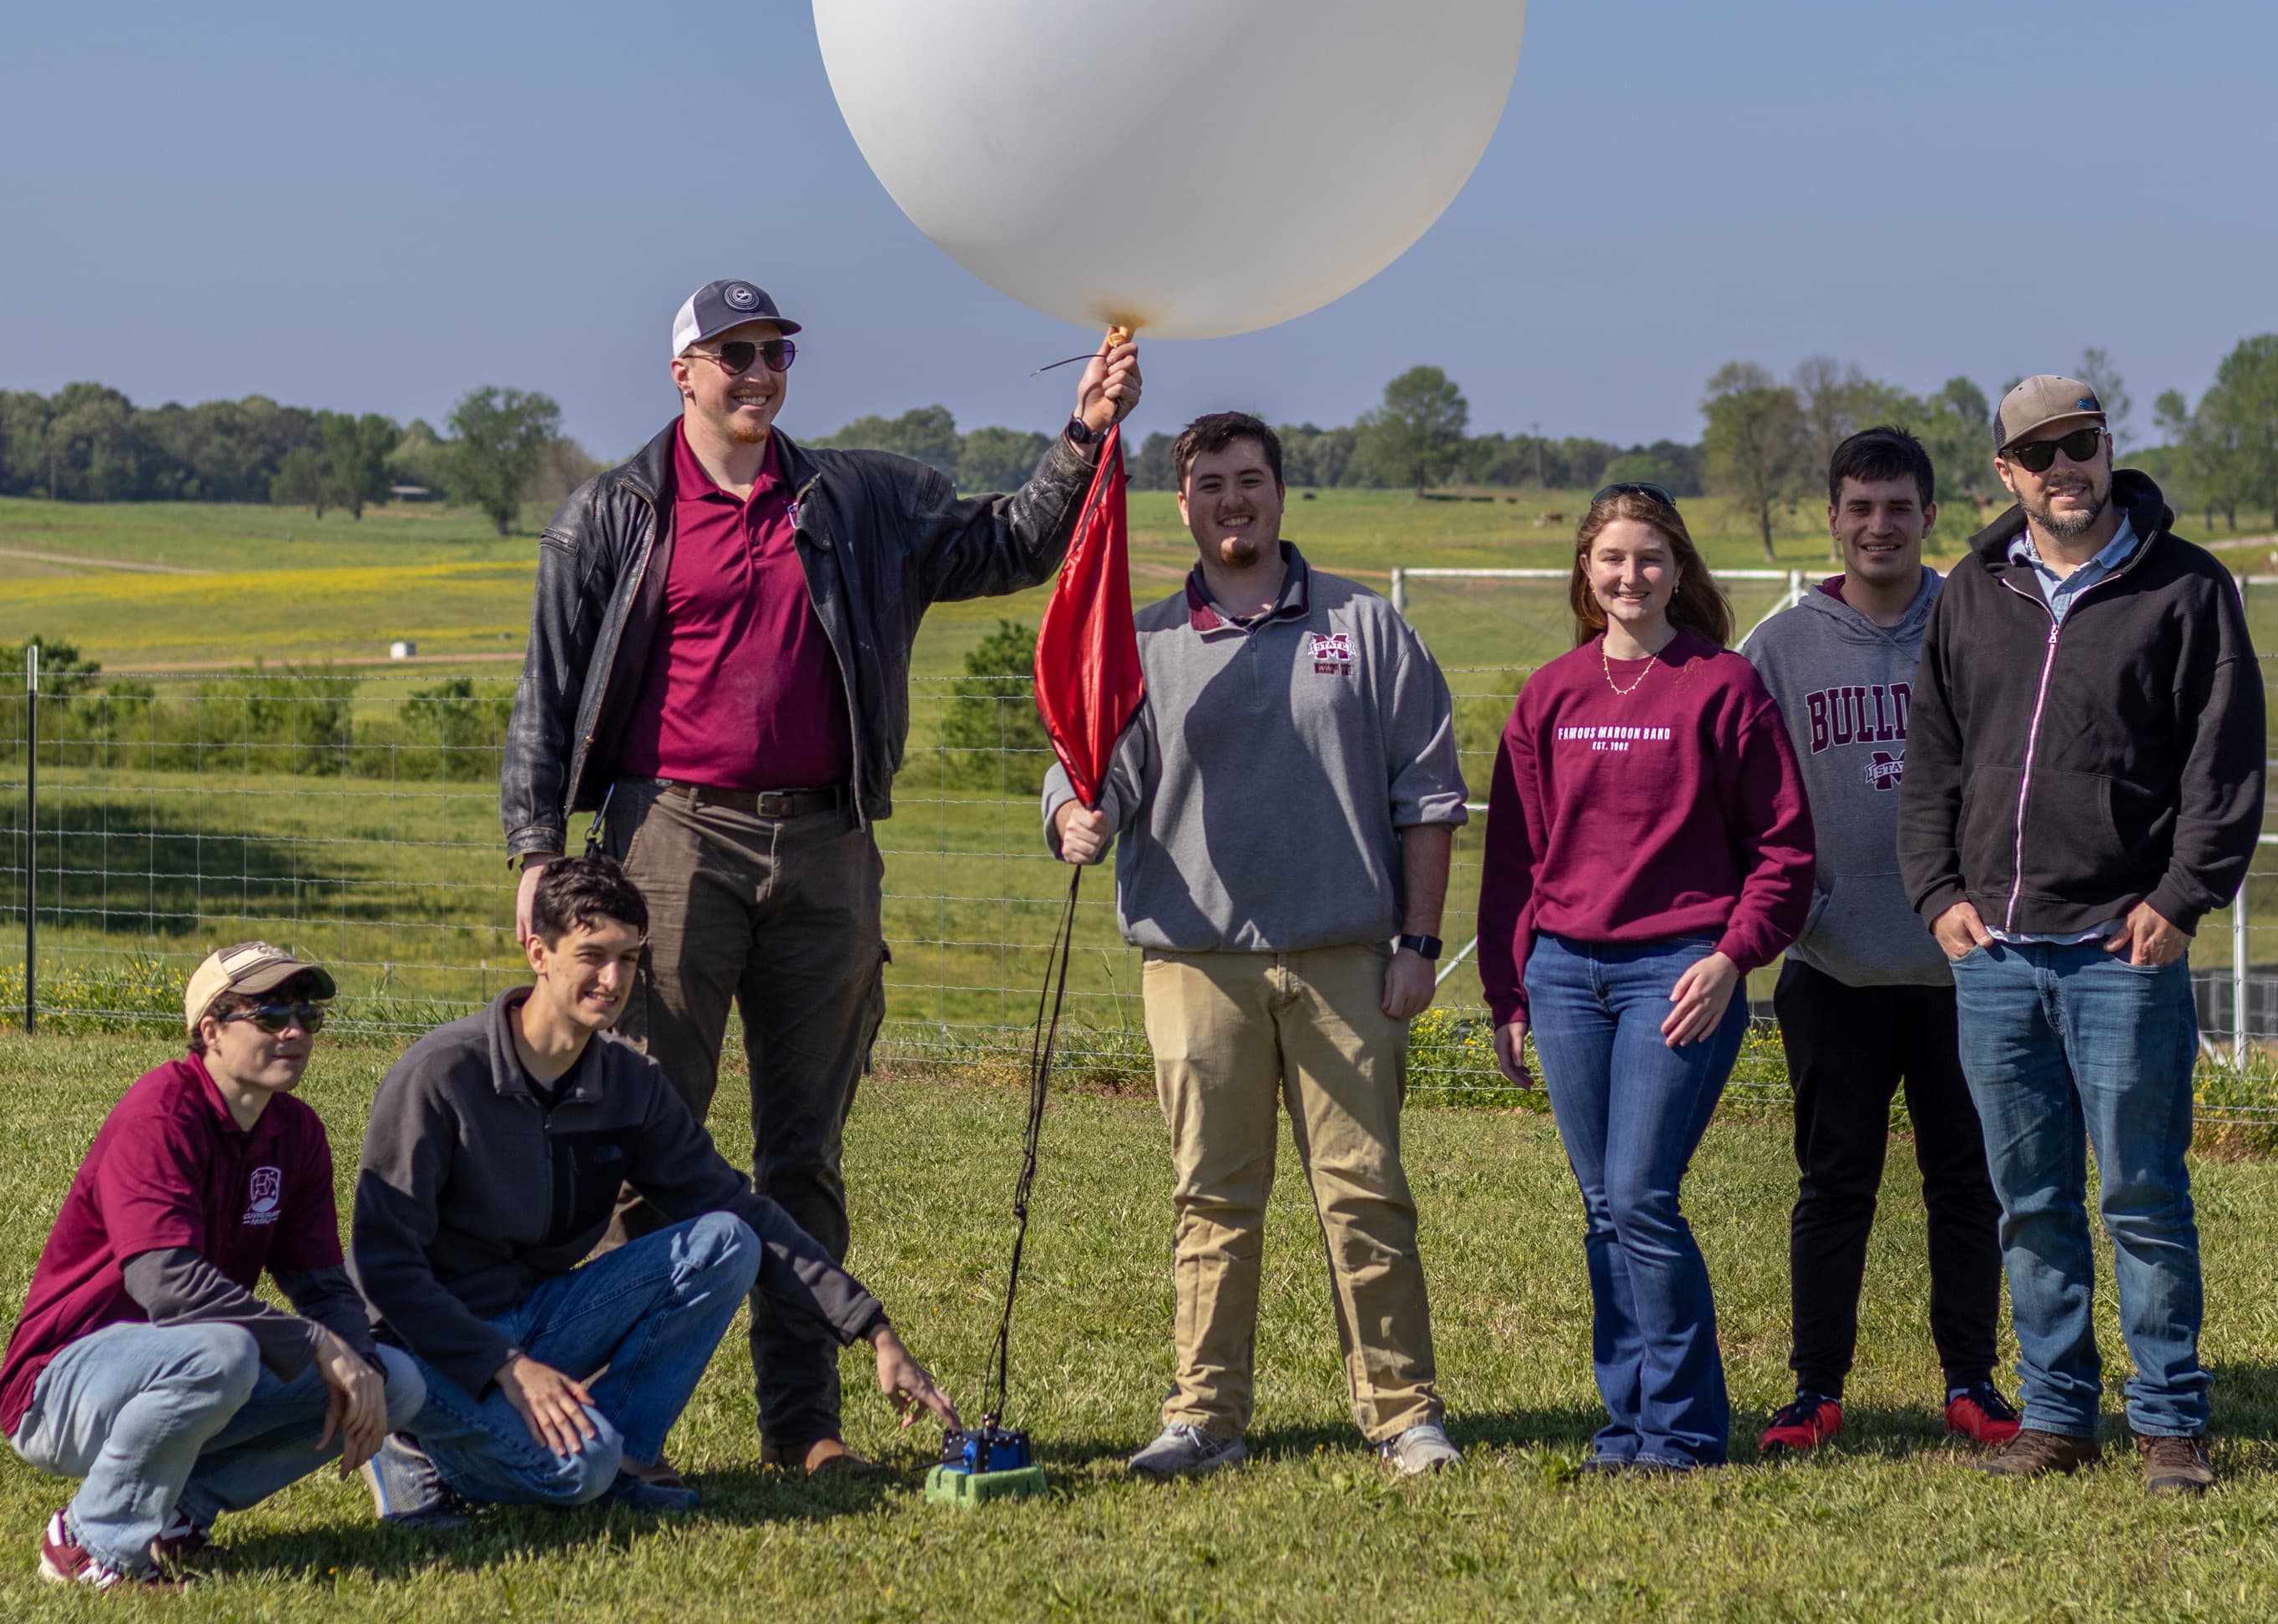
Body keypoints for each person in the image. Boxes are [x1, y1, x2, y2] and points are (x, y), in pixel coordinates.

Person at [498, 278, 1138, 1475]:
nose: (758, 370)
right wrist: (537, 850)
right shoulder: (614, 512)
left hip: (830, 846)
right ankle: (633, 1433)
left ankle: (805, 1428)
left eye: (776, 350)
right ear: (681, 372)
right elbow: (546, 689)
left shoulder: (860, 498)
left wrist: (1088, 431)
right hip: (666, 848)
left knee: (807, 1154)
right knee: (648, 1141)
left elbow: (1013, 543)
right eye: (732, 352)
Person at [1047, 412, 1469, 1481]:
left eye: (1250, 480)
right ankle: (1203, 1418)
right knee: (1212, 1199)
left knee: (1366, 1193)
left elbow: (1428, 798)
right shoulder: (1138, 641)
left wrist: (1418, 941)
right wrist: (1070, 816)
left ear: (1283, 493)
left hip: (1346, 961)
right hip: (1195, 963)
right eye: (1210, 484)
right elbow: (1087, 763)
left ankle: (1403, 1413)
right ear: (1181, 504)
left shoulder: (1368, 630)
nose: (1232, 500)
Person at [1898, 376, 2264, 1495]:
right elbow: (1933, 762)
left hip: (2122, 952)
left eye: (2083, 445)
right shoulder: (1972, 590)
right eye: (2040, 453)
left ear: (2110, 450)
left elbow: (2224, 767)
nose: (2066, 469)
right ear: (2005, 474)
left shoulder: (2185, 589)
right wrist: (1937, 895)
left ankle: (2167, 1425)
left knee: (2142, 1195)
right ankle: (2055, 1413)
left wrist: (2180, 898)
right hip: (1996, 955)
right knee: (2032, 1199)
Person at [353, 855, 959, 1519]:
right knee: (571, 1472)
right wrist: (502, 1364)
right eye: (592, 955)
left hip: (533, 1315)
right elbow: (385, 1268)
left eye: (630, 958)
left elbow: (738, 1210)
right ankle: (411, 1443)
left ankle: (615, 1457)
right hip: (418, 1347)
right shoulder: (440, 1076)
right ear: (538, 952)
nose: (613, 980)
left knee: (725, 1241)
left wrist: (872, 1330)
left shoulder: (628, 1083)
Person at [1477, 482, 1814, 1473]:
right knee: (1600, 1205)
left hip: (1680, 972)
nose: (1632, 575)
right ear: (1585, 570)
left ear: (1678, 568)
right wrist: (1508, 991)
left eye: (1651, 557)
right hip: (1567, 976)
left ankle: (1685, 1431)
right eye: (1613, 557)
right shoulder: (1550, 695)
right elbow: (1513, 861)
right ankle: (1624, 1426)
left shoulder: (1722, 685)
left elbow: (1785, 850)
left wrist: (1731, 956)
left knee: (1640, 1195)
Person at [1737, 427, 2017, 1458]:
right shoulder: (1782, 644)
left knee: (1968, 1183)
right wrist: (1787, 908)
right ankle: (1815, 1389)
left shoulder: (1977, 618)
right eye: (1860, 507)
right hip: (1834, 966)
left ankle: (1972, 1381)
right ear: (1833, 519)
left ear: (1930, 515)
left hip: (1966, 965)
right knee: (1833, 1183)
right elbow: (1741, 797)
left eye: (1898, 506)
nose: (1879, 525)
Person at [0, 942, 420, 1588]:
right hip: (58, 1389)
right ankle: (88, 1542)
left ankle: (175, 1516)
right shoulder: (159, 1114)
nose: (294, 1031)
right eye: (271, 1012)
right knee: (224, 1354)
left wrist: (355, 1361)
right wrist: (312, 1342)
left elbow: (321, 1283)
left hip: (185, 1368)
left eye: (308, 1016)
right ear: (211, 1029)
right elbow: (163, 1283)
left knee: (396, 1380)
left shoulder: (297, 1132)